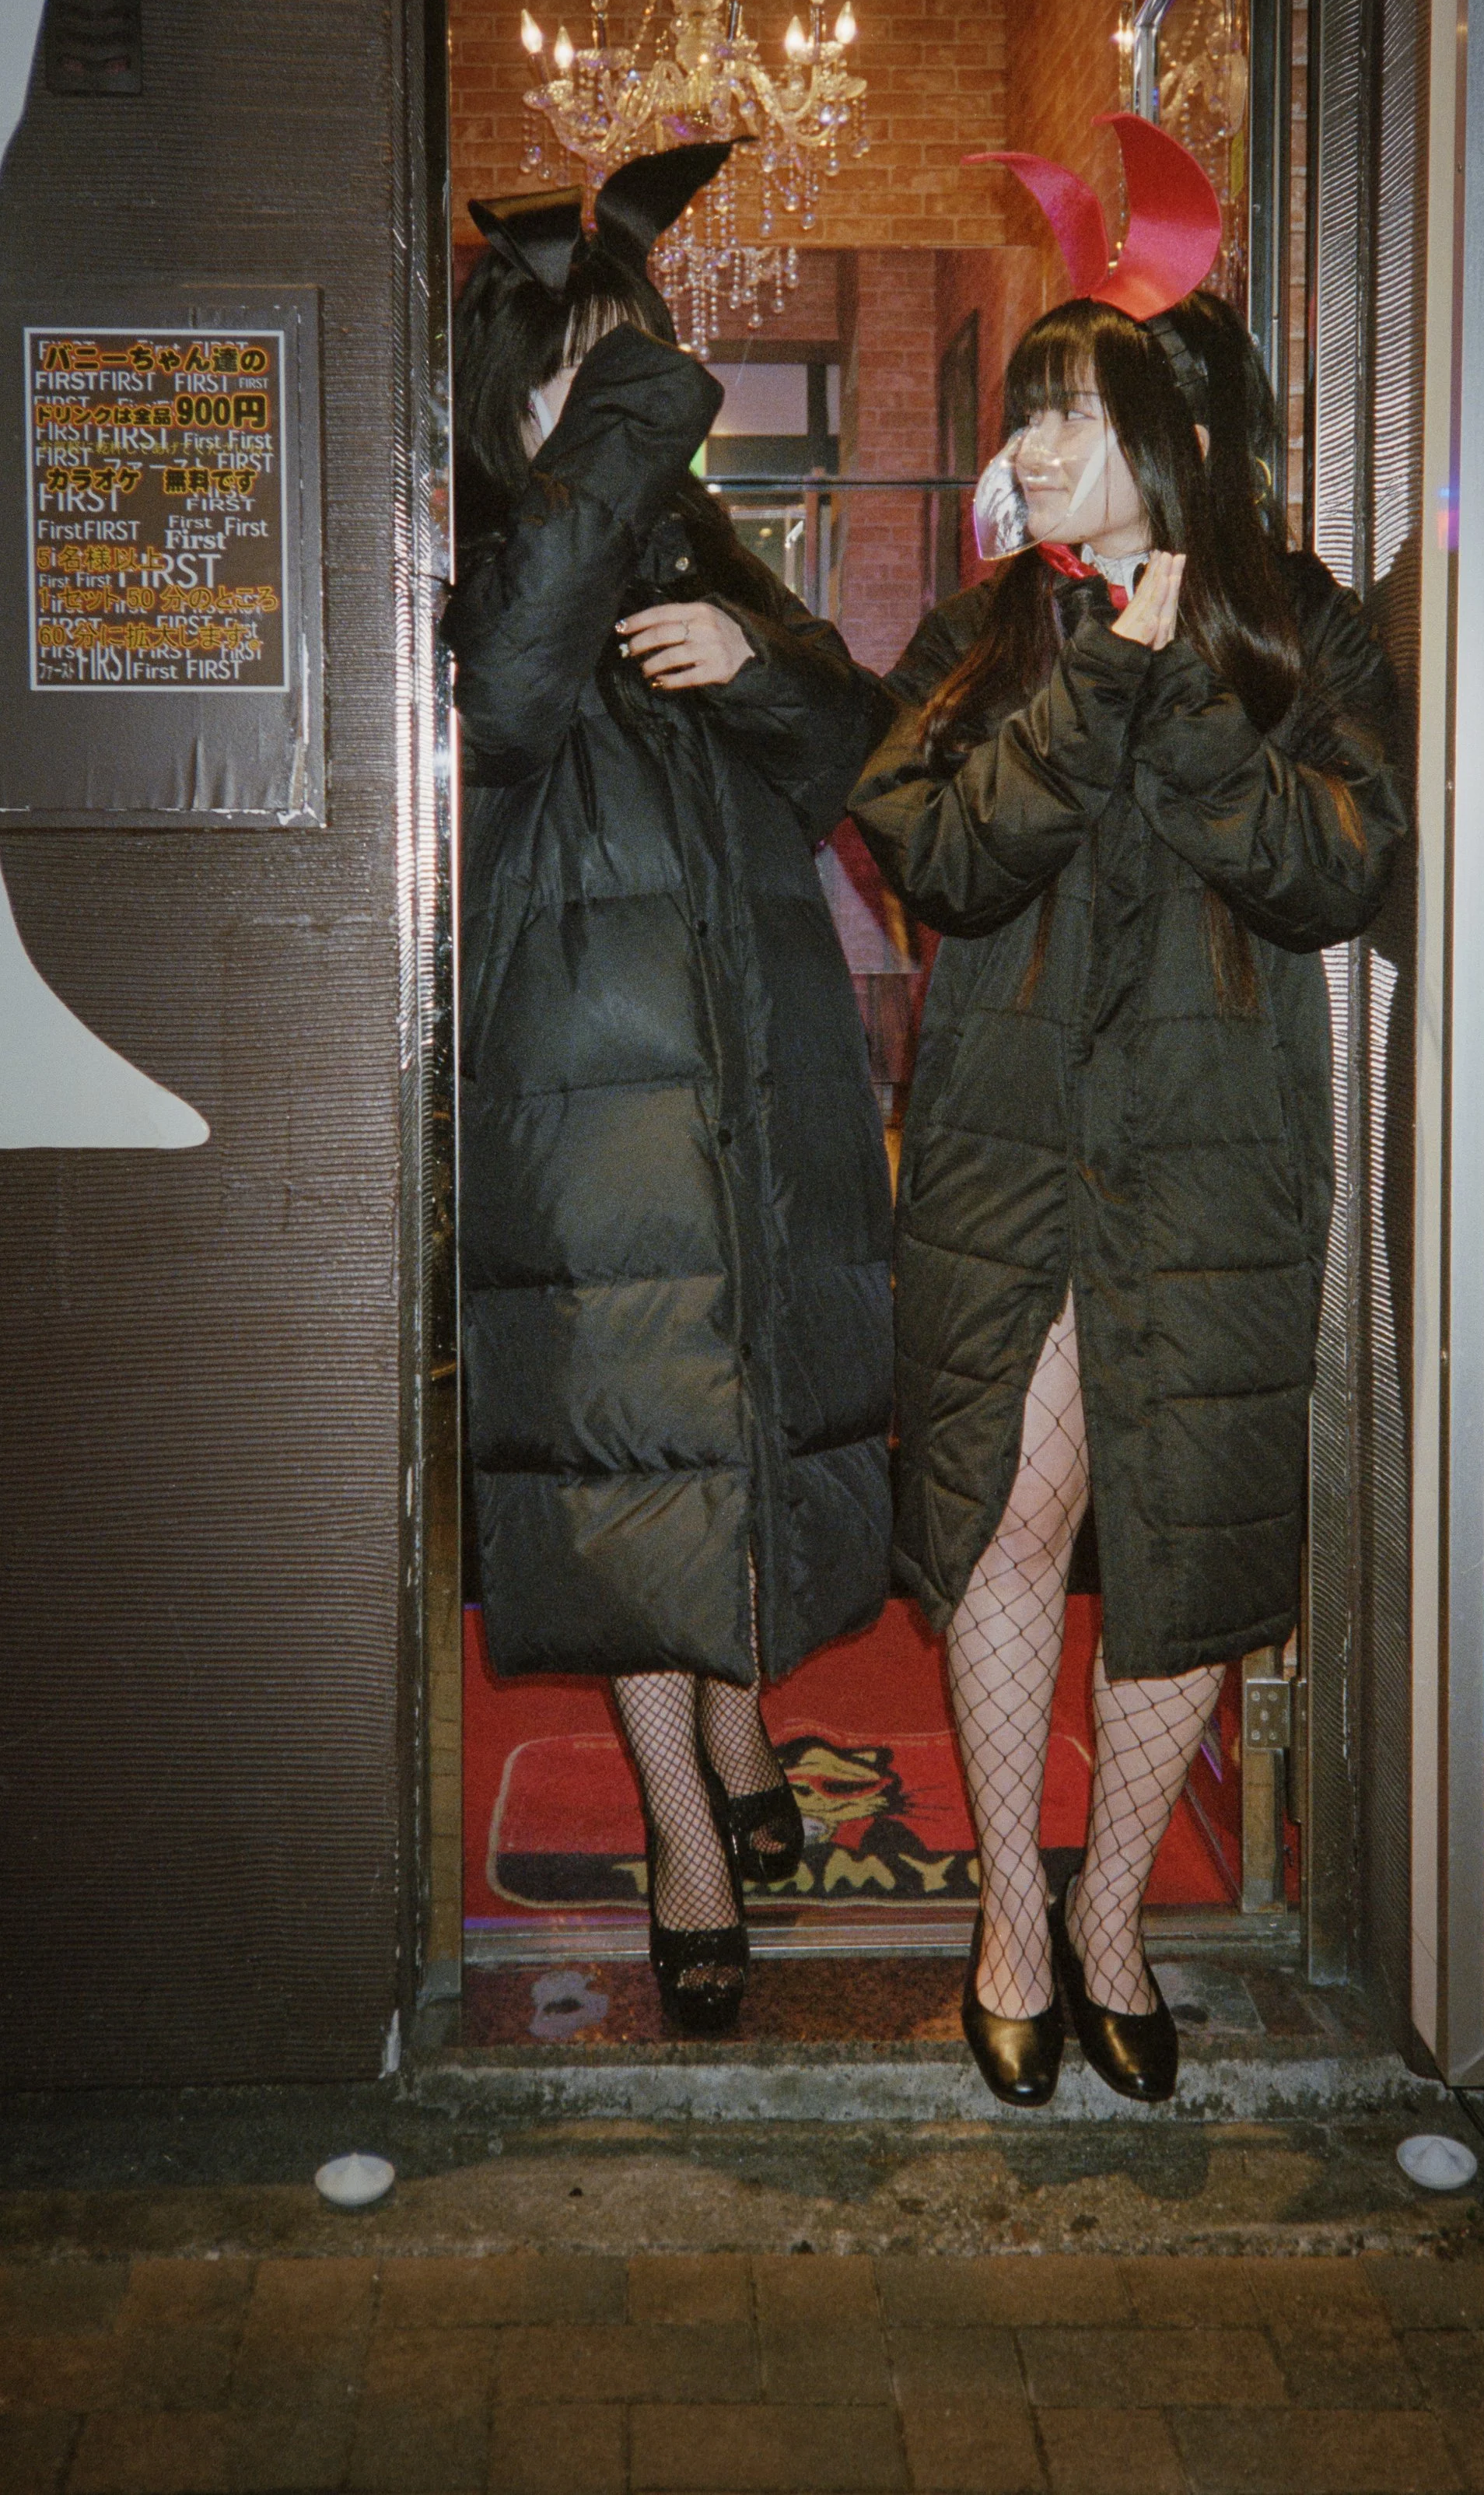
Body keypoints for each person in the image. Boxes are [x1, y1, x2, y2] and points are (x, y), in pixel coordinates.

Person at [851, 114, 1406, 2106]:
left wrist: (1179, 689)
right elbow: (934, 851)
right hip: (1010, 1165)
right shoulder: (995, 629)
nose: (1031, 453)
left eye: (1066, 421)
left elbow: (1347, 868)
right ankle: (1013, 1913)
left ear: (1165, 442)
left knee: (1179, 1539)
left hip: (1211, 1166)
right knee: (1016, 1510)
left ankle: (1112, 1922)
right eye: (1027, 420)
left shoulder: (1296, 626)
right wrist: (1094, 682)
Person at [442, 145, 895, 2034]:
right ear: (521, 390)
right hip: (590, 1080)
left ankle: (741, 1710)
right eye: (585, 375)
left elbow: (848, 753)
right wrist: (619, 412)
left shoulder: (707, 556)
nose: (622, 410)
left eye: (633, 372)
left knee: (747, 1389)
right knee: (632, 1424)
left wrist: (753, 666)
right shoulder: (491, 546)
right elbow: (520, 687)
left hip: (755, 1055)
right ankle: (678, 1833)